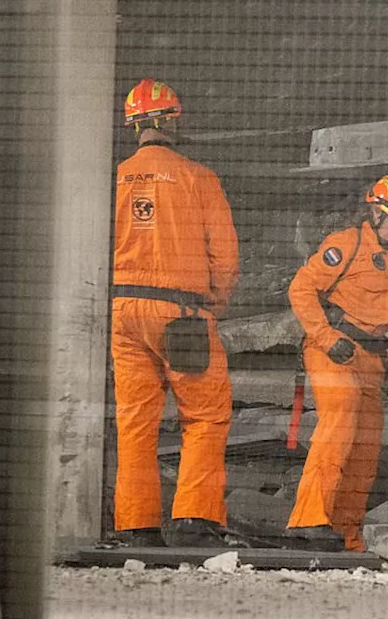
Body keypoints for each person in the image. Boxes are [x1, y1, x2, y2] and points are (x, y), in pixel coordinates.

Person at [109, 78, 240, 548]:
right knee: (204, 416)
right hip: (182, 315)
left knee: (135, 420)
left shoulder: (115, 178)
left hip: (122, 313)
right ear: (171, 121)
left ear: (134, 126)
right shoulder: (197, 178)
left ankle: (137, 526)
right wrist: (214, 304)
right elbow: (224, 256)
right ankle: (193, 519)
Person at [284, 170, 388, 552]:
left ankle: (345, 533)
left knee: (365, 447)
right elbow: (300, 288)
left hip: (371, 359)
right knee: (339, 423)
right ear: (377, 213)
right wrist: (327, 338)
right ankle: (307, 519)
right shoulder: (345, 244)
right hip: (335, 349)